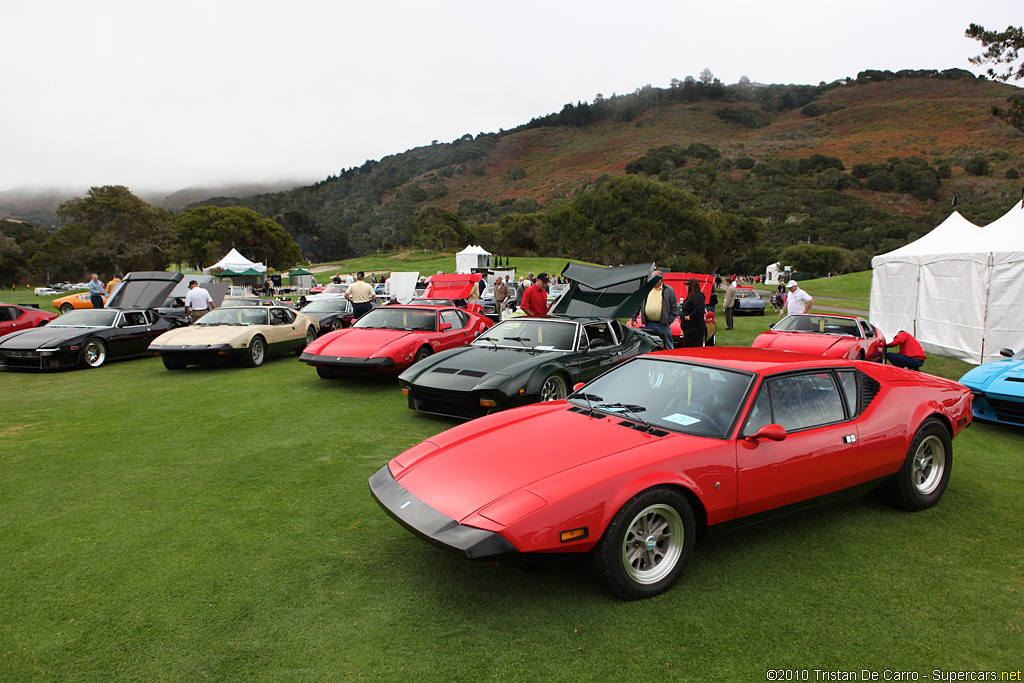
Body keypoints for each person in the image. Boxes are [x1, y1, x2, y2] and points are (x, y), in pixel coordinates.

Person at [632, 269, 679, 349]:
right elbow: (639, 304)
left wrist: (669, 320)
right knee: (651, 345)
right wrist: (634, 317)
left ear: (660, 279)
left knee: (668, 345)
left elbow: (674, 308)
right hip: (649, 324)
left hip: (663, 325)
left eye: (654, 278)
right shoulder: (646, 289)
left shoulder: (668, 290)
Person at [679, 278, 707, 348]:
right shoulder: (691, 296)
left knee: (690, 346)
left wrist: (688, 317)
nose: (686, 287)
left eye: (687, 286)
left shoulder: (697, 296)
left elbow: (698, 310)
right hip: (689, 328)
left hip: (694, 328)